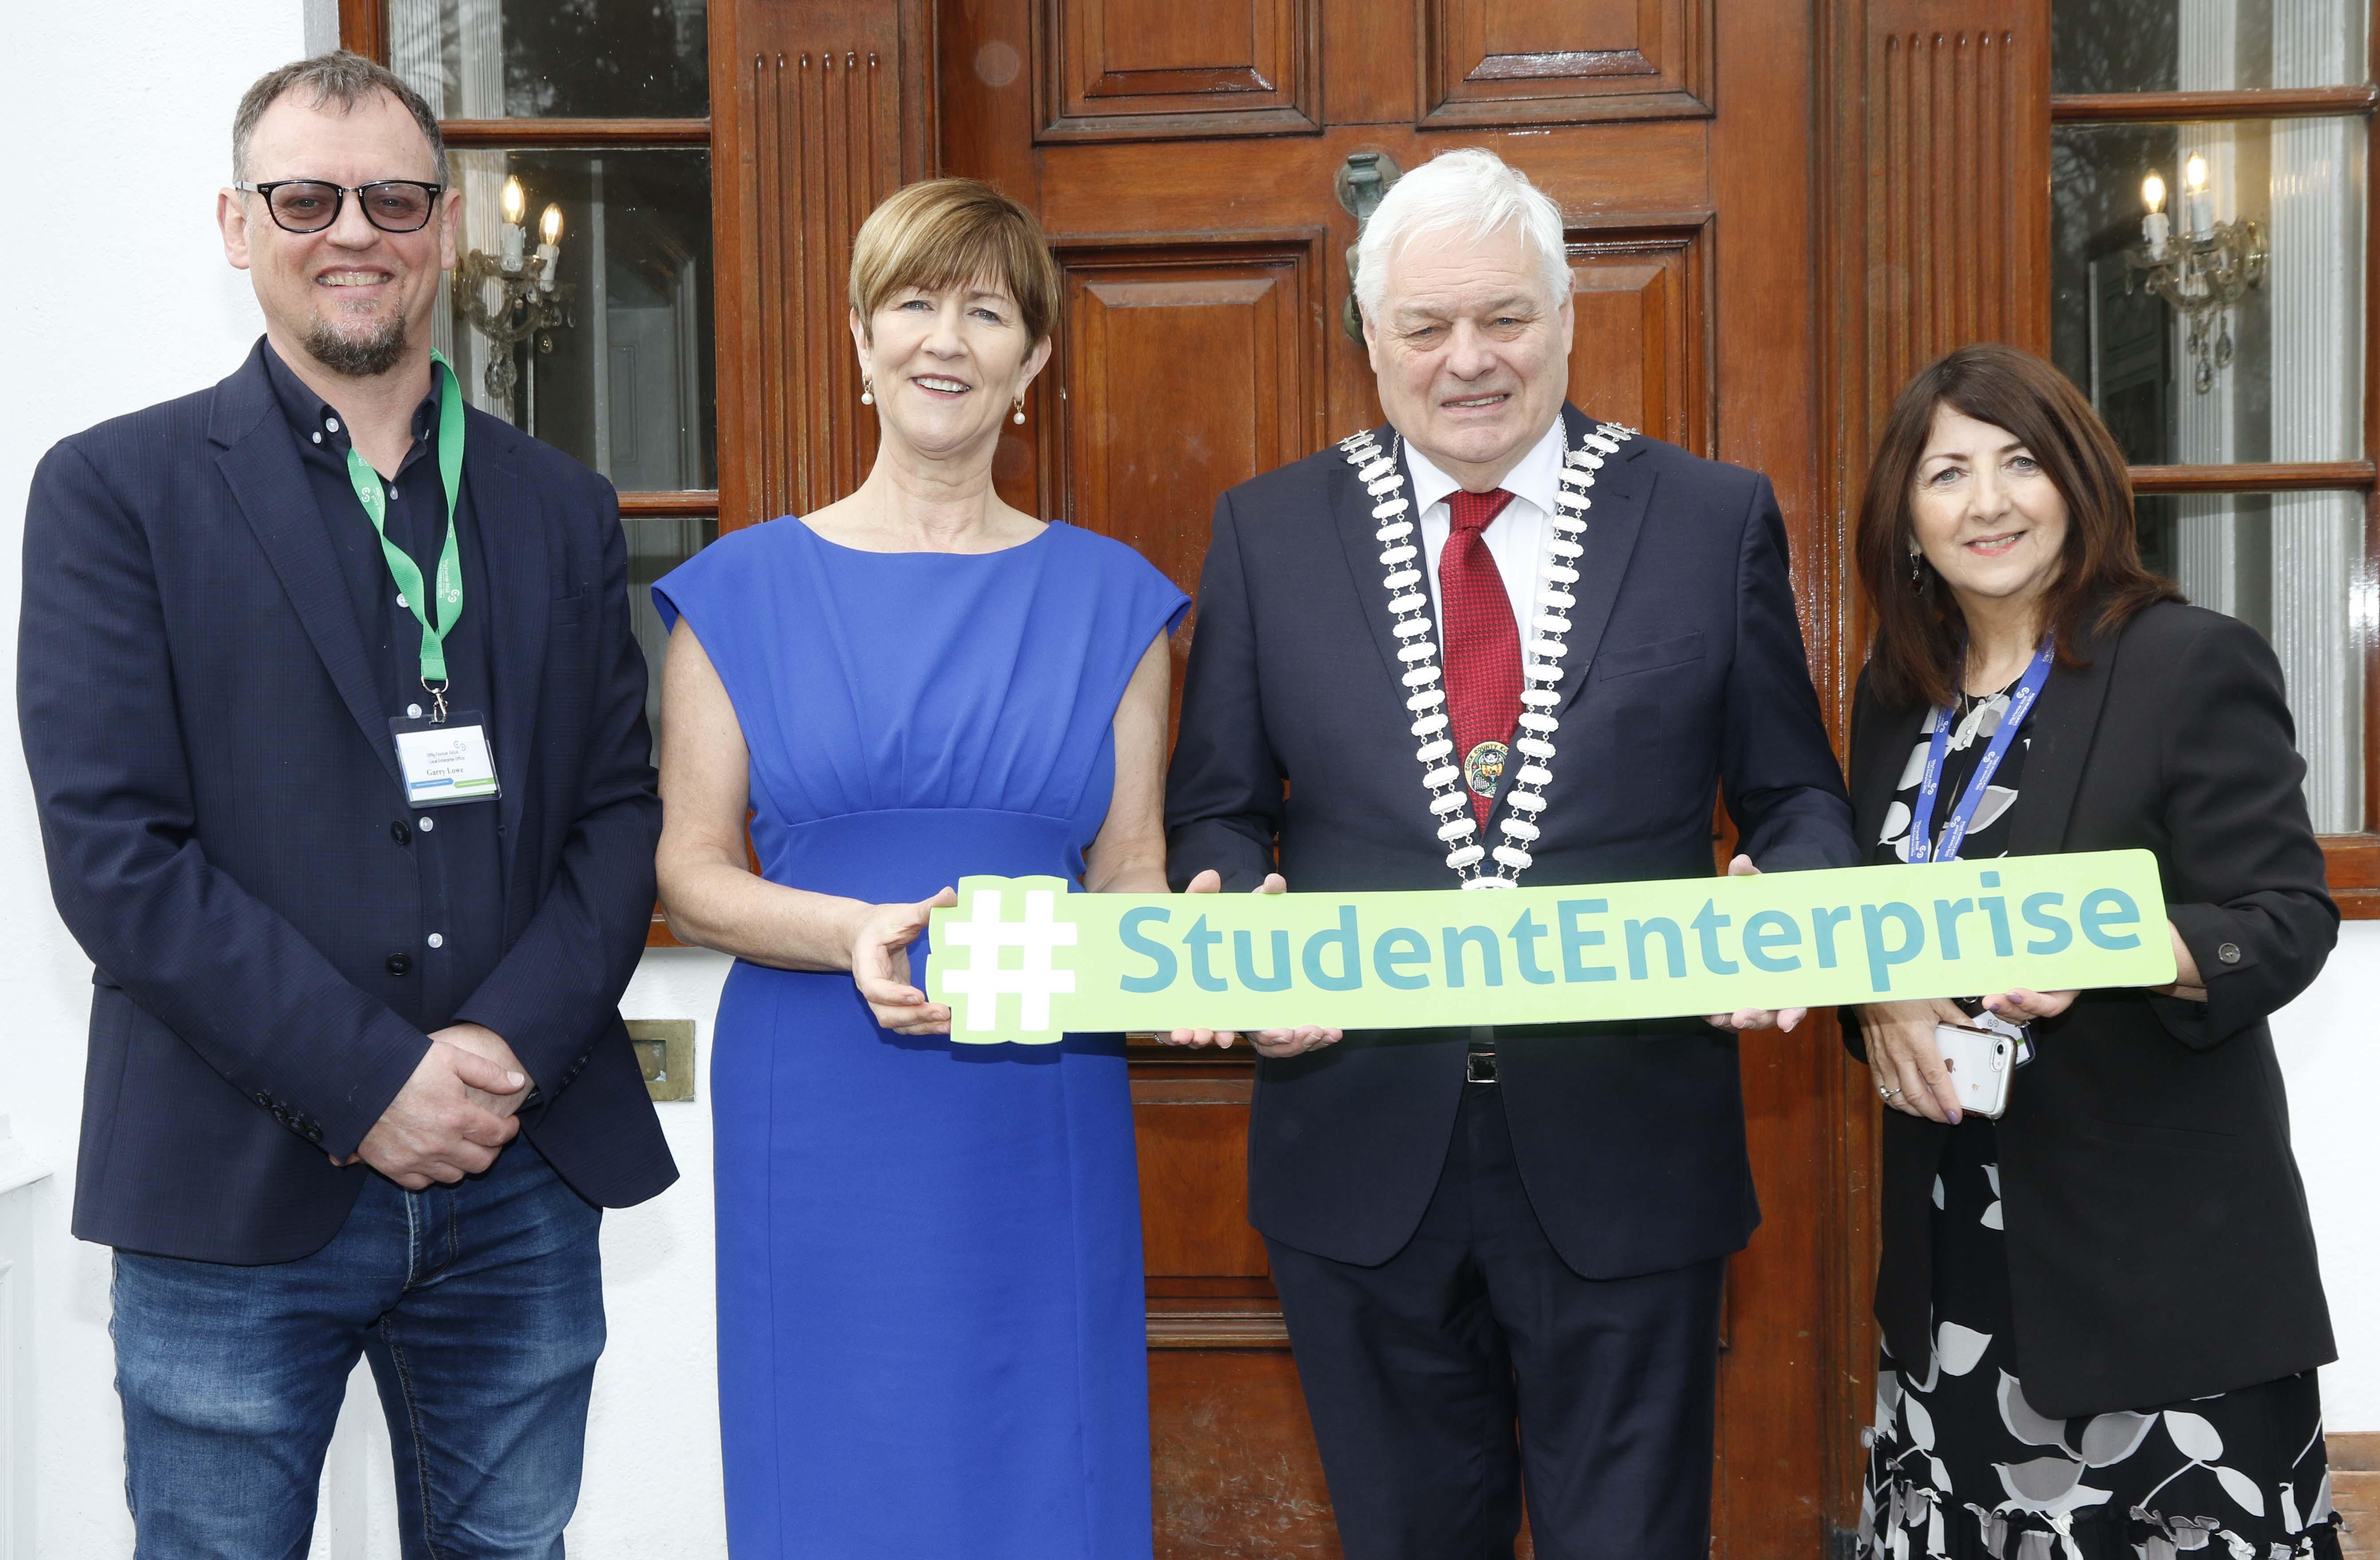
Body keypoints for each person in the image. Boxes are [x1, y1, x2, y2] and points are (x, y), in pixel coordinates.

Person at [16, 51, 676, 1556]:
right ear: (237, 225)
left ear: (445, 227)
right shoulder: (113, 492)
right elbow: (117, 856)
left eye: (392, 197)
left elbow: (614, 821)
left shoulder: (559, 506)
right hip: (229, 1182)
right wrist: (372, 1082)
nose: (353, 232)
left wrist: (494, 1052)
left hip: (520, 1174)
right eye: (306, 196)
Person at [1164, 145, 1856, 1560]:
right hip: (1355, 1147)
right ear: (1369, 342)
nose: (1467, 360)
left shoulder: (1707, 517)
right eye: (1424, 327)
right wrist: (1235, 921)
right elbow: (1217, 808)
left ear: (1565, 316)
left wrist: (1791, 896)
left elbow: (1794, 796)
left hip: (1630, 1152)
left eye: (1503, 317)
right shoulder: (1267, 531)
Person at [652, 177, 1189, 1559]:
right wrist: (846, 930)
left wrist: (1200, 951)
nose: (943, 338)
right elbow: (694, 870)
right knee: (838, 1475)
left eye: (986, 309)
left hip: (1040, 1104)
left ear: (1035, 363)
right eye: (910, 302)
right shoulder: (739, 592)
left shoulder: (1116, 599)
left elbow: (1131, 872)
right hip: (823, 1096)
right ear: (858, 340)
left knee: (1045, 1471)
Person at [1844, 344, 2341, 1559]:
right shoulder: (1894, 696)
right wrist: (1858, 987)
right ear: (1906, 517)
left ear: (2076, 483)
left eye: (2020, 462)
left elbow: (2285, 915)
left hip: (2151, 1267)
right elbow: (1870, 920)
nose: (1988, 500)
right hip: (1951, 1261)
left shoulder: (2182, 660)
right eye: (1946, 472)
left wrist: (2125, 945)